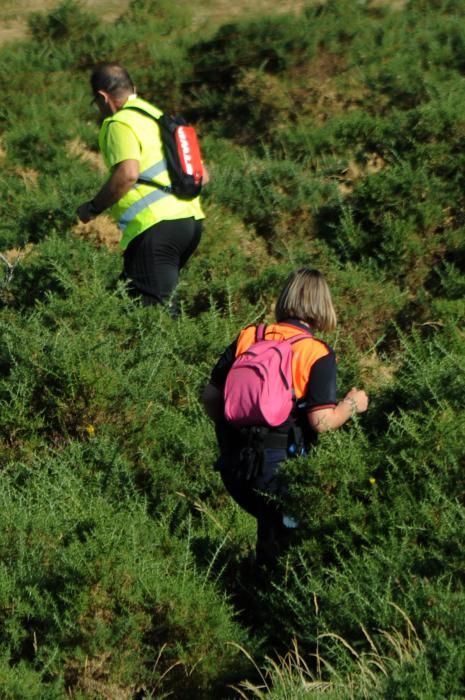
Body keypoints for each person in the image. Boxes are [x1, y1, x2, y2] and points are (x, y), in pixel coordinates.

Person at [202, 268, 368, 570]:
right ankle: (274, 602)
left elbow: (211, 398)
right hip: (279, 469)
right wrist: (352, 405)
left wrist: (236, 433)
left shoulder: (251, 335)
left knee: (268, 530)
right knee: (294, 549)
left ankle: (251, 592)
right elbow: (322, 421)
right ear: (323, 305)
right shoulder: (315, 352)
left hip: (234, 466)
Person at [76, 62, 205, 309]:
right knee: (132, 303)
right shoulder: (159, 118)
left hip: (154, 226)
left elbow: (127, 174)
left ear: (103, 97)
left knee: (154, 316)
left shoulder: (120, 122)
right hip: (190, 222)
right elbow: (203, 174)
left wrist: (92, 208)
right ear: (133, 88)